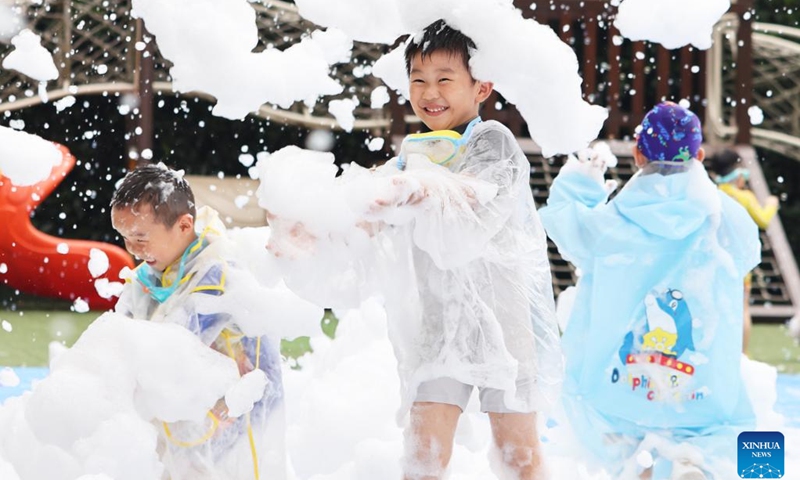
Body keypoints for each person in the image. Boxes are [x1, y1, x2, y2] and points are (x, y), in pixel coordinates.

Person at [539, 102, 761, 480]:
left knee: (624, 444)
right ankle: (692, 463)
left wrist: (582, 181)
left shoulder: (614, 223)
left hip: (622, 383)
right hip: (699, 384)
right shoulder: (721, 216)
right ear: (700, 155)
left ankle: (645, 469)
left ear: (638, 154)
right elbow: (747, 253)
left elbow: (569, 227)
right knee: (720, 429)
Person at [381, 20, 562, 480]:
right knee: (422, 456)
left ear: (481, 86)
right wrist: (319, 222)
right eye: (418, 79)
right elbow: (376, 197)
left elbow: (474, 197)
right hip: (440, 323)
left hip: (503, 324)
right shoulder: (413, 153)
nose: (429, 91)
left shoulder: (493, 141)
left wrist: (420, 186)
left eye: (444, 78)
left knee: (518, 455)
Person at [111, 163, 286, 480]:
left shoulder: (218, 275)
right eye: (124, 237)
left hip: (237, 423)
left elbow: (170, 348)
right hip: (191, 426)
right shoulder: (153, 274)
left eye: (139, 236)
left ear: (183, 225)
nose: (132, 249)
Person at [708, 148, 780, 354]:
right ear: (738, 176)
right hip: (739, 264)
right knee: (742, 309)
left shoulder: (712, 193)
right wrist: (771, 204)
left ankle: (716, 352)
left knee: (715, 308)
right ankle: (742, 355)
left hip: (714, 261)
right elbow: (763, 220)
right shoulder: (744, 197)